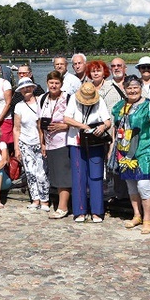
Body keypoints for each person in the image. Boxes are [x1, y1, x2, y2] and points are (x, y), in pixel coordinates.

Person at [110, 75, 150, 234]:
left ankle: (148, 219)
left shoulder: (149, 106)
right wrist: (112, 147)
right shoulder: (120, 105)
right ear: (125, 89)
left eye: (135, 87)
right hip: (124, 151)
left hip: (143, 150)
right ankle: (137, 215)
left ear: (141, 88)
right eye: (129, 88)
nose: (132, 90)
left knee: (144, 185)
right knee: (131, 185)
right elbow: (115, 128)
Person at [64, 82, 112, 223]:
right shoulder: (73, 99)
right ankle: (80, 211)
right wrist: (82, 126)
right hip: (76, 142)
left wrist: (102, 127)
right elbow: (66, 118)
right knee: (79, 175)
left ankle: (97, 211)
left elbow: (108, 121)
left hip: (95, 142)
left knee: (96, 176)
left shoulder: (99, 100)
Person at [13, 77, 49, 211]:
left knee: (42, 173)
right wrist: (17, 148)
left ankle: (45, 200)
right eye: (23, 88)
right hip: (25, 143)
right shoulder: (19, 106)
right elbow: (16, 128)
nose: (26, 90)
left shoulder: (41, 101)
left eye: (28, 87)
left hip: (39, 143)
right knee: (30, 172)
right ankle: (35, 199)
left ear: (33, 88)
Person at [39, 71, 71, 219]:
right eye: (51, 82)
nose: (54, 85)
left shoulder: (67, 98)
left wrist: (63, 126)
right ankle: (60, 203)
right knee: (55, 174)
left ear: (61, 84)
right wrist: (42, 142)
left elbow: (74, 120)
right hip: (49, 142)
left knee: (63, 174)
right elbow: (39, 123)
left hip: (63, 141)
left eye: (56, 83)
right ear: (47, 83)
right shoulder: (43, 98)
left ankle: (63, 207)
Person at [106, 58, 129, 205]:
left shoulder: (133, 84)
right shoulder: (106, 86)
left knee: (130, 164)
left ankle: (133, 196)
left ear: (125, 68)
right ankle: (120, 195)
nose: (116, 68)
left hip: (131, 133)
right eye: (113, 66)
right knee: (114, 165)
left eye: (119, 65)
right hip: (110, 133)